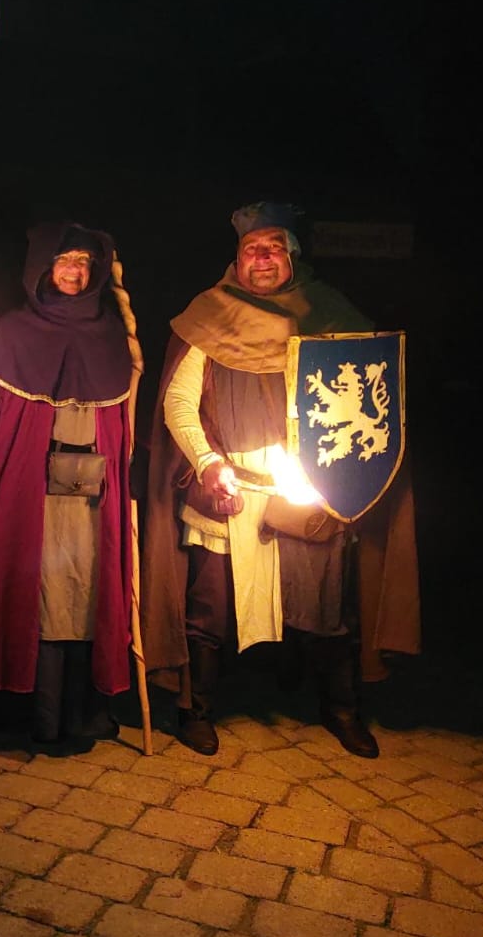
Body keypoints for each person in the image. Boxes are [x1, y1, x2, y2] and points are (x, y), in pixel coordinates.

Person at [141, 200, 420, 758]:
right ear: (236, 260)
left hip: (311, 490)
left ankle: (342, 710)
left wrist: (344, 477)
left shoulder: (329, 315)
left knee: (327, 609)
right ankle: (197, 711)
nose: (262, 258)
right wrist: (207, 463)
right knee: (210, 610)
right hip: (231, 488)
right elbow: (178, 400)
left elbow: (363, 399)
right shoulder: (209, 316)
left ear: (293, 256)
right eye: (251, 249)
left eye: (273, 248)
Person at [0, 222, 142, 751]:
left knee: (86, 595)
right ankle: (30, 717)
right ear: (43, 267)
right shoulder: (13, 333)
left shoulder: (115, 336)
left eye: (83, 263)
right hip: (34, 496)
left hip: (93, 501)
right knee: (37, 594)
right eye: (64, 260)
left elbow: (123, 429)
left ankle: (82, 716)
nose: (74, 271)